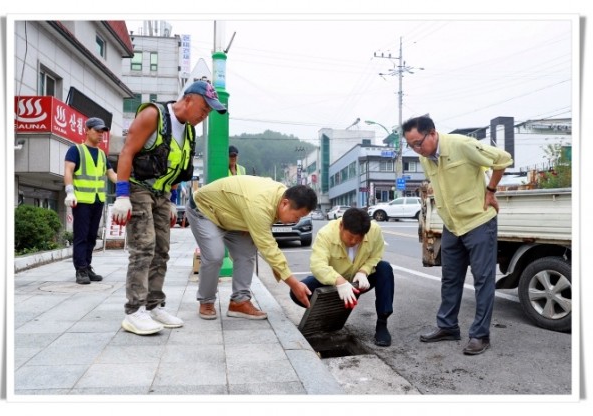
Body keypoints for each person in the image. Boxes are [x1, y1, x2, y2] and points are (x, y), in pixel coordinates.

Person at [112, 80, 227, 335]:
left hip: (162, 194)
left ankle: (153, 306)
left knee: (162, 250)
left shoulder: (188, 132)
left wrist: (172, 200)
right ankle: (134, 311)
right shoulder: (153, 115)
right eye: (204, 108)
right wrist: (121, 196)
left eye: (209, 111)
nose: (205, 114)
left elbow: (175, 167)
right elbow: (127, 152)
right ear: (188, 99)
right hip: (138, 187)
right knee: (144, 248)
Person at [402, 115, 513, 355]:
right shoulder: (425, 159)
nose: (416, 149)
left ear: (432, 133)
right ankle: (448, 326)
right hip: (451, 225)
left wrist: (491, 190)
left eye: (418, 143)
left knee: (483, 280)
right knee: (450, 278)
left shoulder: (461, 145)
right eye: (410, 145)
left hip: (478, 221)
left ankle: (480, 335)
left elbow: (503, 159)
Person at [186, 175, 317, 320]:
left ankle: (239, 302)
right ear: (285, 203)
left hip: (231, 214)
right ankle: (206, 301)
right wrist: (294, 284)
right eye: (297, 217)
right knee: (215, 255)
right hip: (204, 210)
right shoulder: (259, 205)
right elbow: (269, 248)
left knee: (247, 251)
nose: (296, 221)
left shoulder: (280, 195)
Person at [289, 207, 395, 347]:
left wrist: (364, 271)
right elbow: (317, 265)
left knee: (385, 268)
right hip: (333, 282)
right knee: (298, 292)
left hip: (359, 282)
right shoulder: (326, 234)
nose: (353, 242)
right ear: (341, 226)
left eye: (359, 239)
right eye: (350, 237)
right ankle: (329, 314)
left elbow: (377, 255)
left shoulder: (374, 230)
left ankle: (382, 324)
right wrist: (338, 280)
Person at [64, 117, 117, 285]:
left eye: (103, 132)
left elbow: (111, 175)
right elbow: (68, 171)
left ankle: (87, 266)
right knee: (81, 236)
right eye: (97, 131)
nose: (101, 135)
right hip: (81, 201)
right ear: (87, 130)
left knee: (92, 236)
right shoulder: (76, 150)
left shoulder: (102, 154)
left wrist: (127, 182)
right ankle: (80, 269)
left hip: (97, 200)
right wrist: (69, 192)